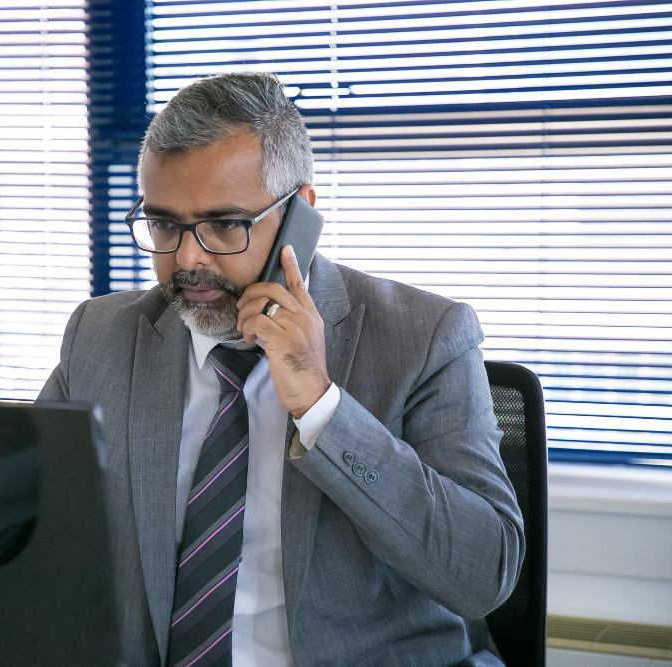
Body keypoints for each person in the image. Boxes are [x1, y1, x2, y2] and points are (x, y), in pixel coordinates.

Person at [38, 72, 525, 667]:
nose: (187, 258)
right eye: (164, 224)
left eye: (224, 225)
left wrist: (322, 407)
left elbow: (482, 575)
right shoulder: (101, 337)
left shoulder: (424, 338)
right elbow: (21, 532)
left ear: (300, 215)